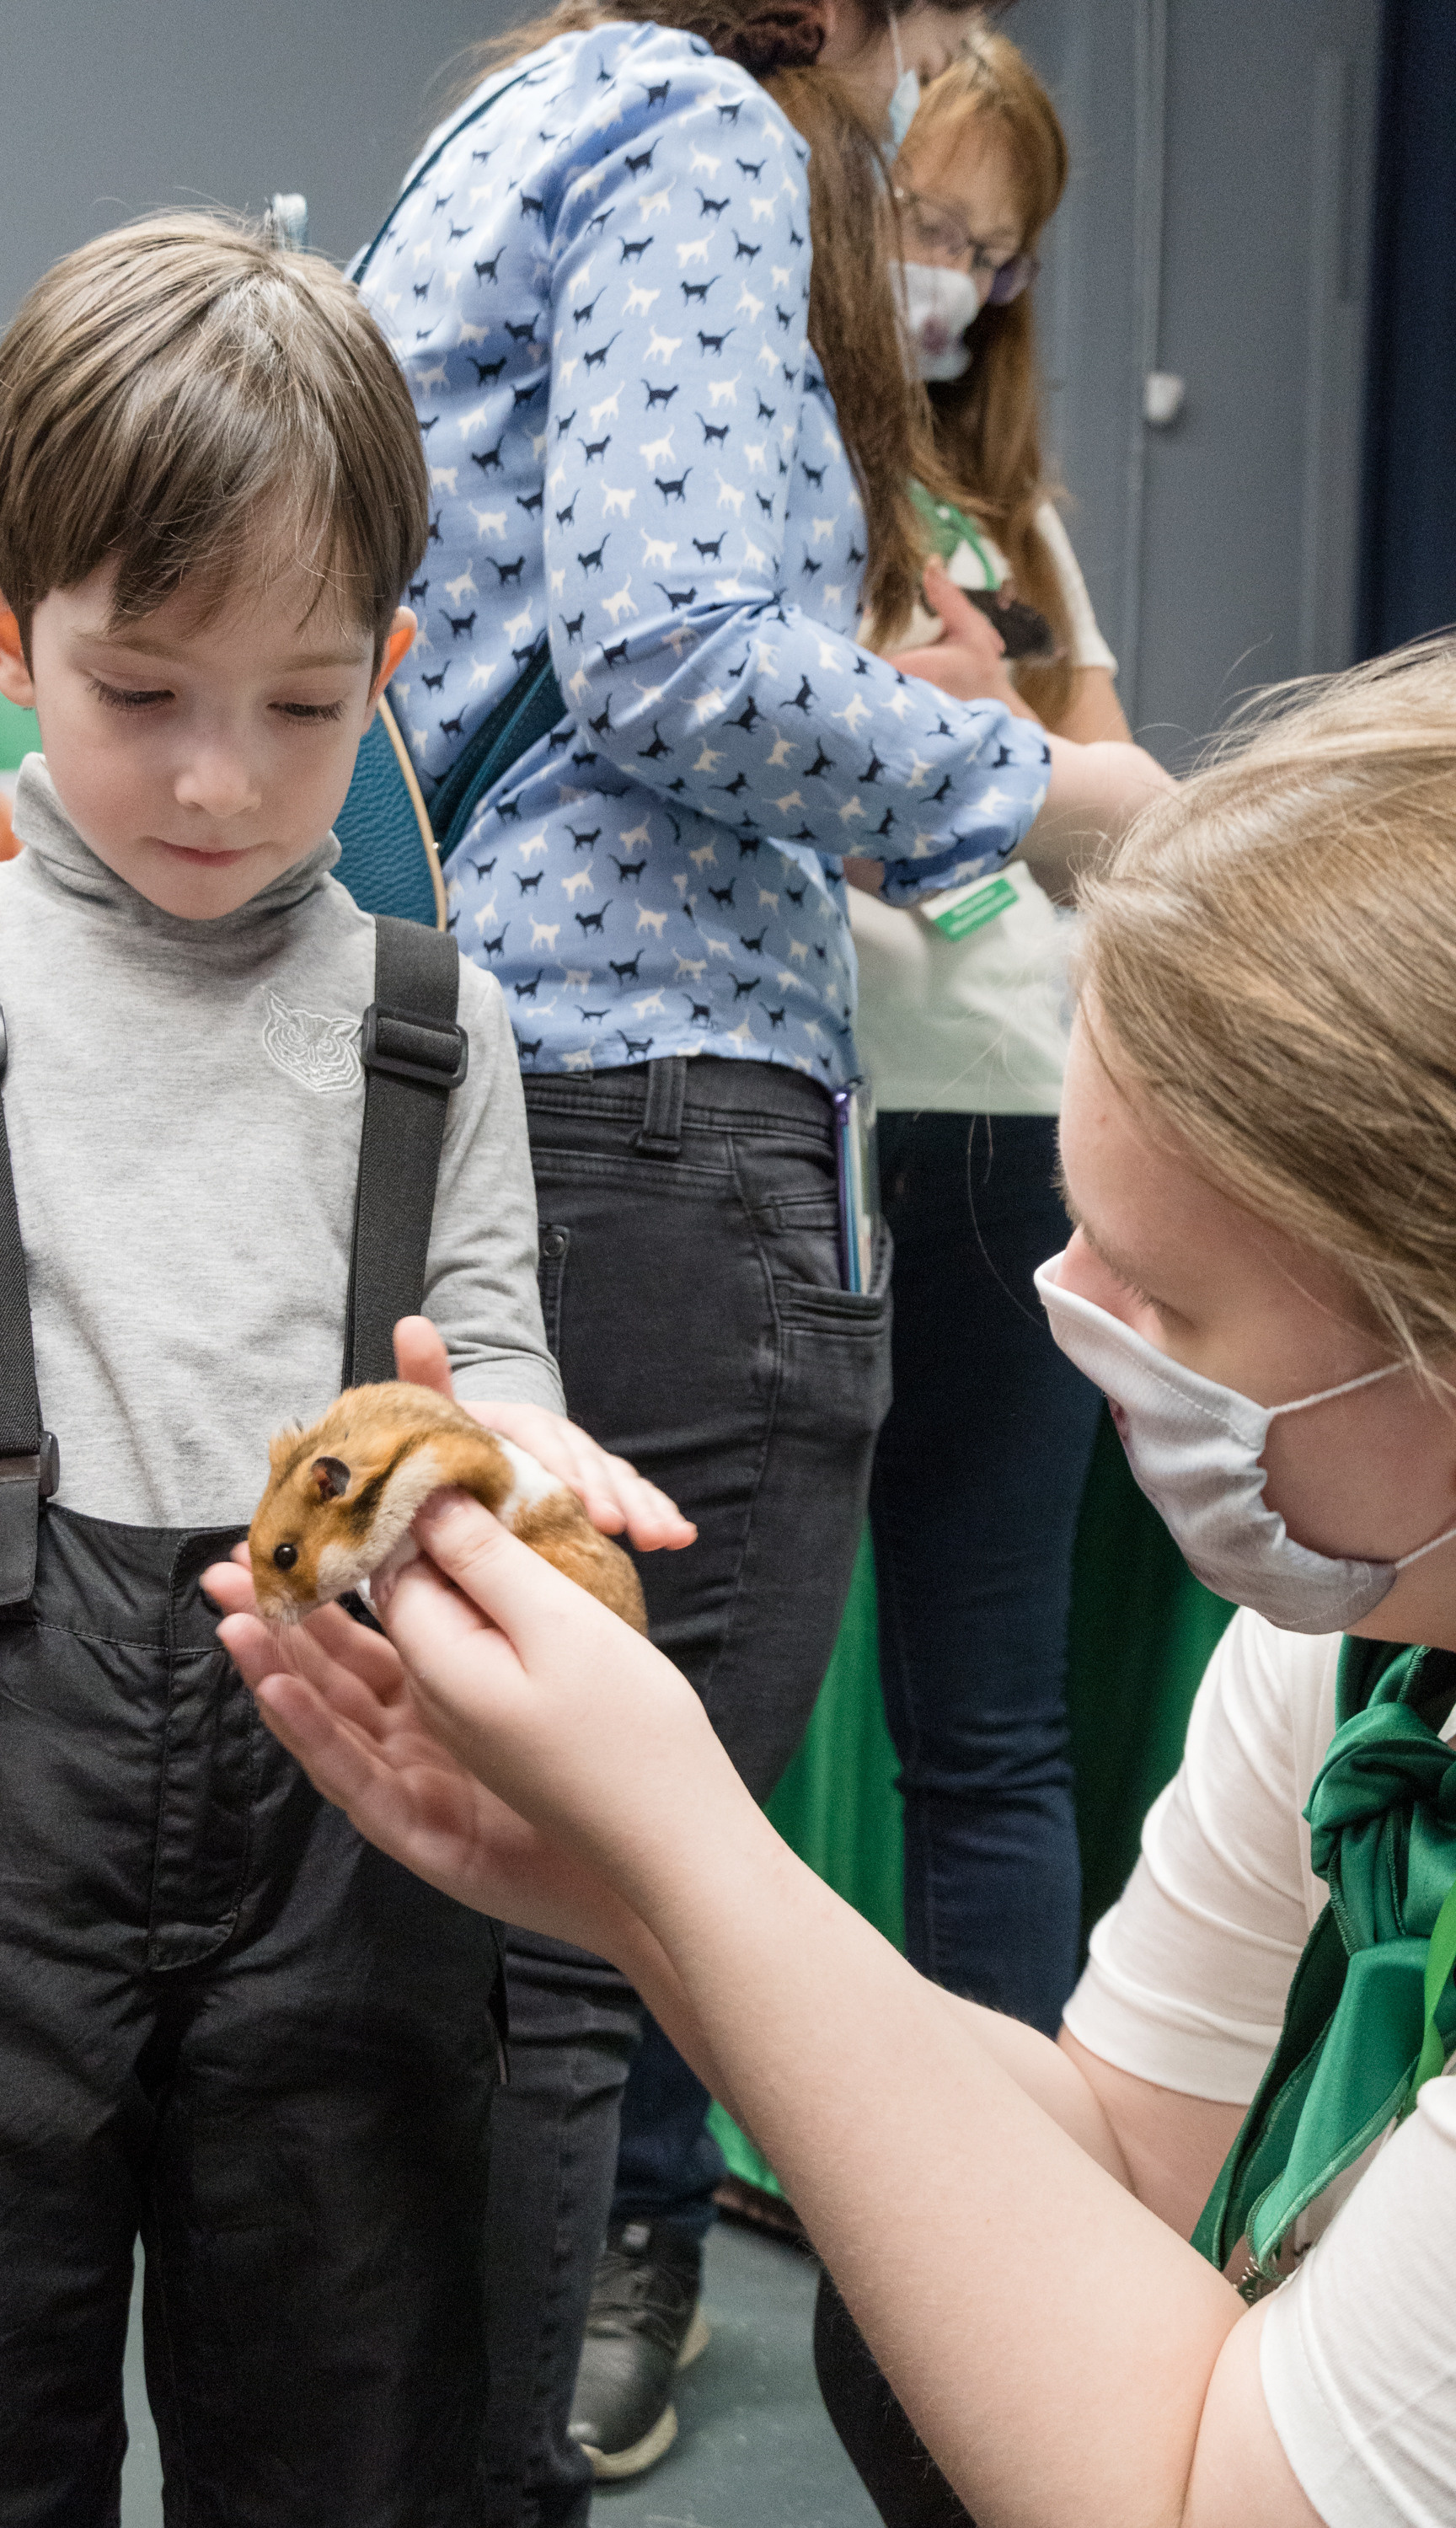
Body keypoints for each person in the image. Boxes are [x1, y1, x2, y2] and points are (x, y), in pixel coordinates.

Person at [214, 641, 1456, 2528]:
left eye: (1171, 1301)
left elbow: (1209, 2499)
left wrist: (688, 1854)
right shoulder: (1369, 1647)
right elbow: (1106, 2161)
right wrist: (633, 1883)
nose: (1077, 1330)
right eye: (1084, 1245)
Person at [0, 210, 680, 2526]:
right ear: (4, 639)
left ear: (382, 670)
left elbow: (479, 1352)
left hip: (345, 1802)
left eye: (296, 708)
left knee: (356, 2418)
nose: (212, 780)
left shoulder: (433, 1018)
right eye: (138, 691)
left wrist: (522, 1468)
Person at [358, 3, 1170, 2504]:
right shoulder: (706, 132)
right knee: (587, 1960)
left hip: (497, 1099)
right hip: (655, 1133)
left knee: (457, 1969)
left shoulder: (515, 116)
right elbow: (684, 647)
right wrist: (1071, 792)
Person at [847, 30, 1128, 2051]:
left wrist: (981, 716)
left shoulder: (1012, 512)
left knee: (989, 1726)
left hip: (1002, 1122)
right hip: (782, 1099)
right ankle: (644, 2259)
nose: (946, 276)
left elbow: (1119, 810)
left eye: (989, 250)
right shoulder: (742, 456)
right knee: (689, 1710)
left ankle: (991, 2274)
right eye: (926, 218)